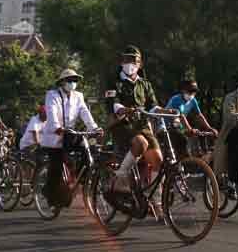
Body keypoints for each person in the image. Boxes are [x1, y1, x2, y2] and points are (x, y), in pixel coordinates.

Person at [105, 46, 162, 195]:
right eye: (127, 60)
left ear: (140, 64)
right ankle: (120, 178)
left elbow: (153, 106)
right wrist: (123, 109)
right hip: (121, 125)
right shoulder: (114, 82)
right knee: (141, 143)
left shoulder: (145, 84)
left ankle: (155, 200)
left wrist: (165, 111)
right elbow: (113, 103)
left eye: (134, 60)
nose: (131, 64)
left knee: (158, 160)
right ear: (121, 62)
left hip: (141, 125)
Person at [41, 69, 101, 205]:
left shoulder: (78, 96)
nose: (72, 83)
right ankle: (50, 194)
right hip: (55, 135)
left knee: (87, 151)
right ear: (62, 82)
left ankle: (82, 181)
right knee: (56, 166)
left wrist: (94, 128)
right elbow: (52, 111)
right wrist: (57, 127)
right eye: (69, 80)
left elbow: (85, 112)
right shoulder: (52, 95)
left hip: (70, 134)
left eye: (75, 80)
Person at [161, 78, 216, 158]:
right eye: (190, 91)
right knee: (182, 141)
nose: (192, 94)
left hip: (178, 125)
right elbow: (181, 116)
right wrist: (190, 129)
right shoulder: (176, 99)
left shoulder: (193, 100)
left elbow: (199, 115)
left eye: (194, 92)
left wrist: (209, 128)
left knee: (190, 141)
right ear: (183, 91)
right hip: (166, 125)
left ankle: (186, 161)